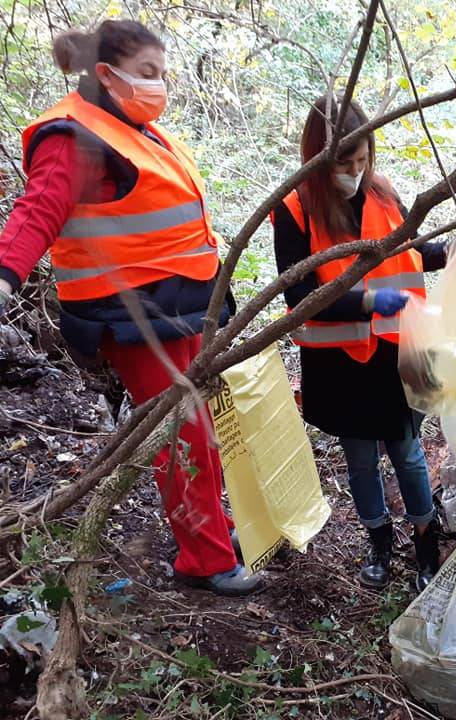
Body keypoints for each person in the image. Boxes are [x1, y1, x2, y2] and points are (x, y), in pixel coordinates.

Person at [0, 20, 259, 596]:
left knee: (202, 427)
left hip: (180, 306)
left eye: (162, 74)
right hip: (134, 317)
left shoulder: (137, 129)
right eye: (147, 73)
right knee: (182, 435)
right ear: (106, 74)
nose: (158, 85)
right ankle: (204, 559)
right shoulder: (73, 135)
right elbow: (37, 211)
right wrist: (4, 277)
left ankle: (212, 533)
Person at [272, 95, 456, 591]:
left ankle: (425, 542)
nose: (355, 171)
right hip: (338, 363)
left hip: (393, 355)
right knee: (361, 458)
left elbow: (410, 253)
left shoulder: (383, 192)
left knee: (407, 452)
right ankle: (379, 542)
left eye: (363, 159)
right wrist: (367, 302)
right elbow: (299, 296)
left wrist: (452, 249)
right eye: (344, 163)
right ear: (318, 157)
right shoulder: (295, 207)